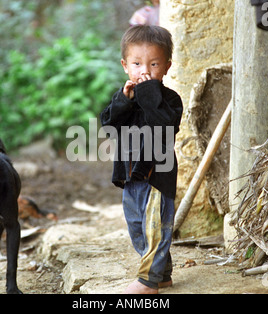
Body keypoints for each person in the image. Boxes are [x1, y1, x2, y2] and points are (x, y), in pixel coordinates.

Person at [100, 25, 182, 294]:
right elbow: (109, 124)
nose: (144, 70)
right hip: (130, 176)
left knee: (155, 228)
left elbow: (165, 123)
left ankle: (149, 281)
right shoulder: (125, 97)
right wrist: (124, 100)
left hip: (157, 177)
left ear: (167, 67)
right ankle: (163, 275)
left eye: (154, 64)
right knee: (138, 228)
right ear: (125, 66)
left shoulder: (170, 100)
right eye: (137, 64)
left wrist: (148, 92)